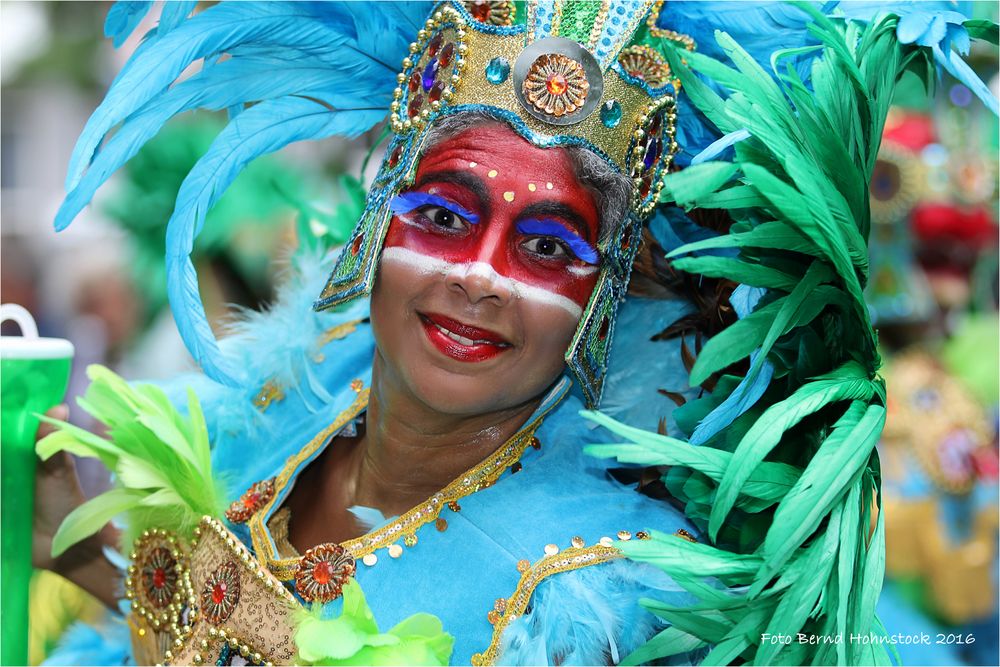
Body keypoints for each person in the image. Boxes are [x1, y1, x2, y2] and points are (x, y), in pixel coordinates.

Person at [33, 1, 997, 666]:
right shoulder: (274, 411)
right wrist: (82, 543)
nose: (478, 277)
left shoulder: (610, 594)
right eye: (445, 217)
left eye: (546, 247)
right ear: (376, 224)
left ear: (603, 296)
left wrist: (129, 565)